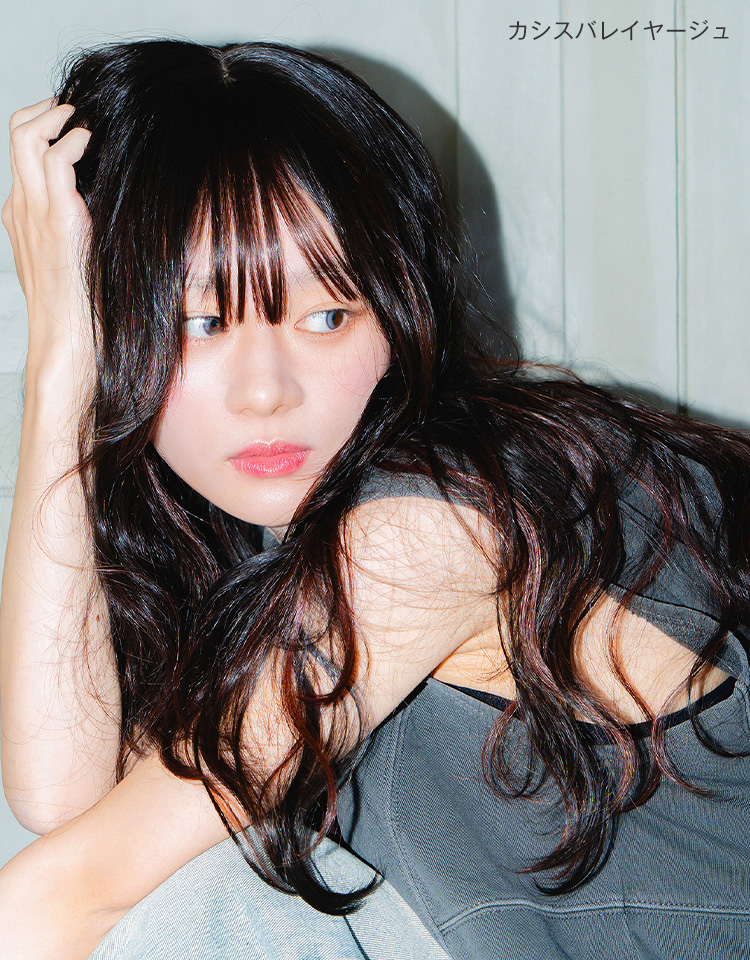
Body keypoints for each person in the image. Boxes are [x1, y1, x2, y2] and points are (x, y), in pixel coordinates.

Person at [0, 39, 748, 960]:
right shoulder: (267, 543)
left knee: (201, 912)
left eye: (327, 316)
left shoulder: (432, 528)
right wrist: (61, 370)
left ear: (396, 313)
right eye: (200, 322)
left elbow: (70, 897)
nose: (265, 391)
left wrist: (66, 363)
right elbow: (66, 798)